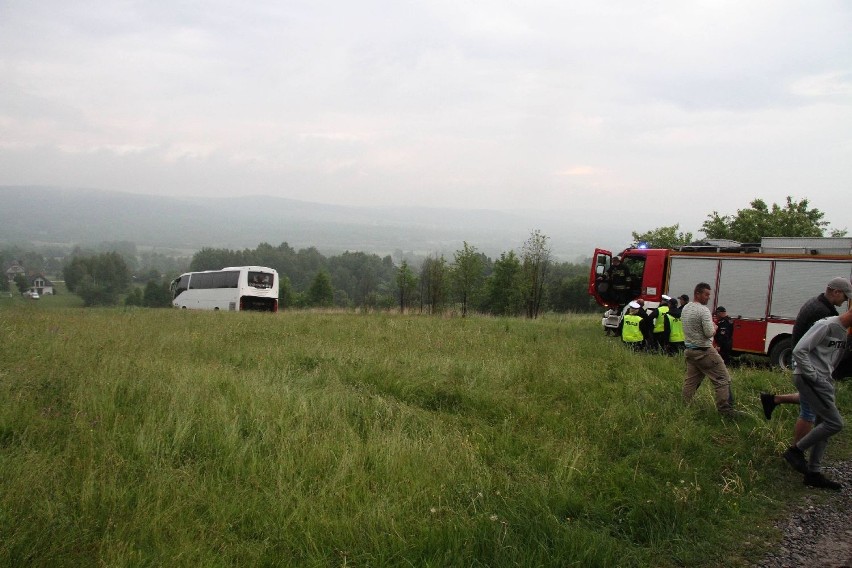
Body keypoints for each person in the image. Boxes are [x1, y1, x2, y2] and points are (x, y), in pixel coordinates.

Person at [760, 278, 851, 447]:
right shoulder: (823, 312)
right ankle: (796, 451)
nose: (846, 300)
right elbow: (824, 343)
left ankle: (774, 400)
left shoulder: (817, 302)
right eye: (845, 296)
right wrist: (814, 374)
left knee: (810, 399)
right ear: (836, 292)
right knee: (809, 410)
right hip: (808, 362)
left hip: (805, 359)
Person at [781, 308, 852, 490]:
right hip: (811, 379)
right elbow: (799, 350)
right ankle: (795, 451)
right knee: (835, 423)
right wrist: (814, 376)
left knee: (824, 424)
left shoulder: (842, 331)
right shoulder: (826, 325)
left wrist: (827, 378)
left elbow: (833, 359)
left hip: (823, 380)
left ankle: (813, 473)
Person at [681, 282, 735, 415]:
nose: (708, 297)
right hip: (704, 350)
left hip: (690, 350)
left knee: (691, 381)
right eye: (706, 294)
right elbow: (709, 332)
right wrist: (715, 327)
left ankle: (683, 406)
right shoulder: (703, 310)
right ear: (697, 293)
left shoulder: (686, 308)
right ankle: (725, 410)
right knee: (723, 378)